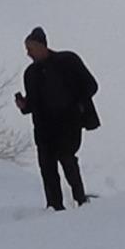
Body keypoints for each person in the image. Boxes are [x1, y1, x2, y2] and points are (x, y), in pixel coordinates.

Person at [14, 27, 99, 210]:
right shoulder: (30, 73)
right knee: (47, 168)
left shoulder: (68, 60)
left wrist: (75, 103)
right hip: (43, 129)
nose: (28, 53)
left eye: (30, 48)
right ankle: (54, 208)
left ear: (41, 45)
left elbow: (91, 86)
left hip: (68, 124)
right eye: (27, 49)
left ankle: (81, 201)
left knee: (68, 159)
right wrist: (24, 105)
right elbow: (33, 104)